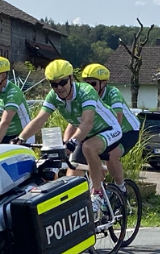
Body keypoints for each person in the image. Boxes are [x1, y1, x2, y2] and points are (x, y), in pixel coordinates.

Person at [17, 60, 124, 204]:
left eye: (62, 82)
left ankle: (97, 195)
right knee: (73, 166)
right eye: (54, 84)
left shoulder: (86, 91)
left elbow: (87, 122)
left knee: (88, 148)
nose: (59, 87)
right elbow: (39, 120)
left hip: (109, 129)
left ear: (71, 79)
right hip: (87, 134)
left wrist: (72, 142)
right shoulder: (53, 96)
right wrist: (20, 138)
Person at [80, 63, 143, 193]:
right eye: (86, 84)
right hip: (103, 130)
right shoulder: (85, 95)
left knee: (110, 154)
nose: (88, 87)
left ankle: (121, 188)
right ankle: (99, 190)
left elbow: (117, 121)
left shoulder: (113, 93)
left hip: (127, 131)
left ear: (103, 83)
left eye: (92, 84)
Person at [0, 56, 31, 145]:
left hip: (21, 136)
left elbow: (5, 122)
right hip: (3, 135)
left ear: (3, 76)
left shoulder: (13, 92)